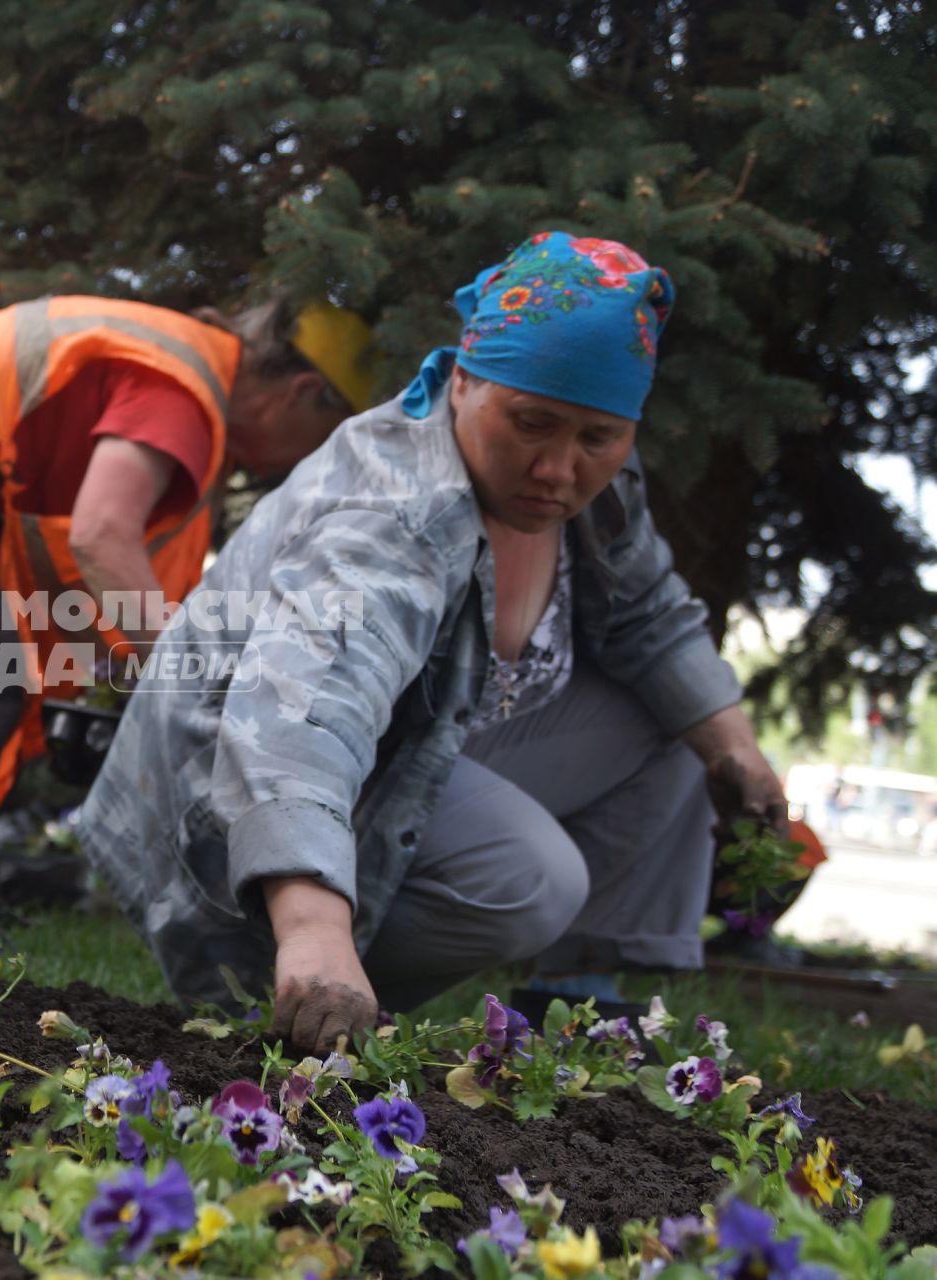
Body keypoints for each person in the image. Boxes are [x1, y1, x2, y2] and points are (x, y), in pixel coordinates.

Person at [79, 231, 789, 1055]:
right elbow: (302, 710)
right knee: (529, 879)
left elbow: (646, 617)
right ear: (463, 383)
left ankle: (576, 1004)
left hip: (405, 753)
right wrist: (313, 925)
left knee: (681, 729)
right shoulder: (394, 510)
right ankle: (291, 993)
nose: (560, 468)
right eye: (533, 423)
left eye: (597, 437)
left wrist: (735, 748)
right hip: (224, 793)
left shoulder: (595, 485)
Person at [0, 295, 378, 925]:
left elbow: (74, 561)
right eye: (329, 440)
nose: (313, 465)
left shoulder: (188, 377)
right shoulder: (186, 393)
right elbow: (101, 537)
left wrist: (125, 664)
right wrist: (194, 680)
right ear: (301, 392)